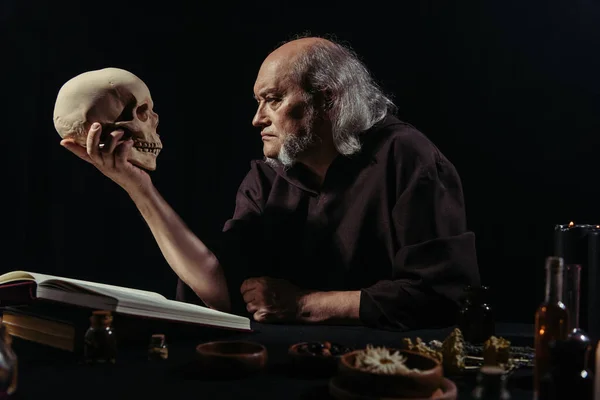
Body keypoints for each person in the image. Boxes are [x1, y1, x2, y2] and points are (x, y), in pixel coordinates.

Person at [60, 35, 480, 330]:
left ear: (328, 99)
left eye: (273, 100)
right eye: (258, 102)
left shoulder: (407, 158)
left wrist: (304, 305)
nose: (257, 119)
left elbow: (445, 296)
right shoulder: (267, 177)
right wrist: (137, 186)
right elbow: (221, 288)